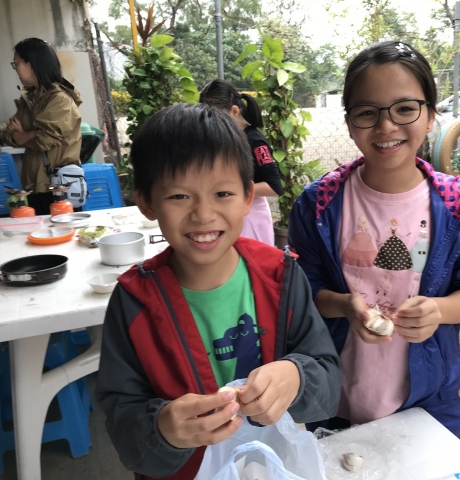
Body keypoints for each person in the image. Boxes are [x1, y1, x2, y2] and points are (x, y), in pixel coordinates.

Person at [95, 103, 341, 480]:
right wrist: (162, 429)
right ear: (145, 202)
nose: (204, 214)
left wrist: (297, 377)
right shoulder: (133, 302)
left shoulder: (282, 276)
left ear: (247, 197)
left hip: (270, 466)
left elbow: (328, 376)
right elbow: (121, 417)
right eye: (179, 196)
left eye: (222, 193)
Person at [288, 40, 460, 438]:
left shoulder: (458, 204)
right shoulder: (319, 204)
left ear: (431, 116)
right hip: (334, 398)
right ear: (350, 123)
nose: (386, 126)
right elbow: (302, 292)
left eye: (404, 108)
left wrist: (438, 310)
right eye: (368, 112)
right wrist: (344, 306)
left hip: (429, 401)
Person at [0, 37, 82, 215]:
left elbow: (44, 141)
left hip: (58, 187)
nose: (16, 69)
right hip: (34, 185)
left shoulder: (60, 100)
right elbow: (5, 133)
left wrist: (24, 134)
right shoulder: (29, 99)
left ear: (32, 64)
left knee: (61, 231)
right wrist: (30, 134)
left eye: (17, 64)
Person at [199, 79, 283, 246]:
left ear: (234, 111)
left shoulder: (255, 141)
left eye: (216, 118)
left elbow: (274, 187)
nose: (211, 124)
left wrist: (228, 191)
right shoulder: (227, 138)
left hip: (251, 217)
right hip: (231, 212)